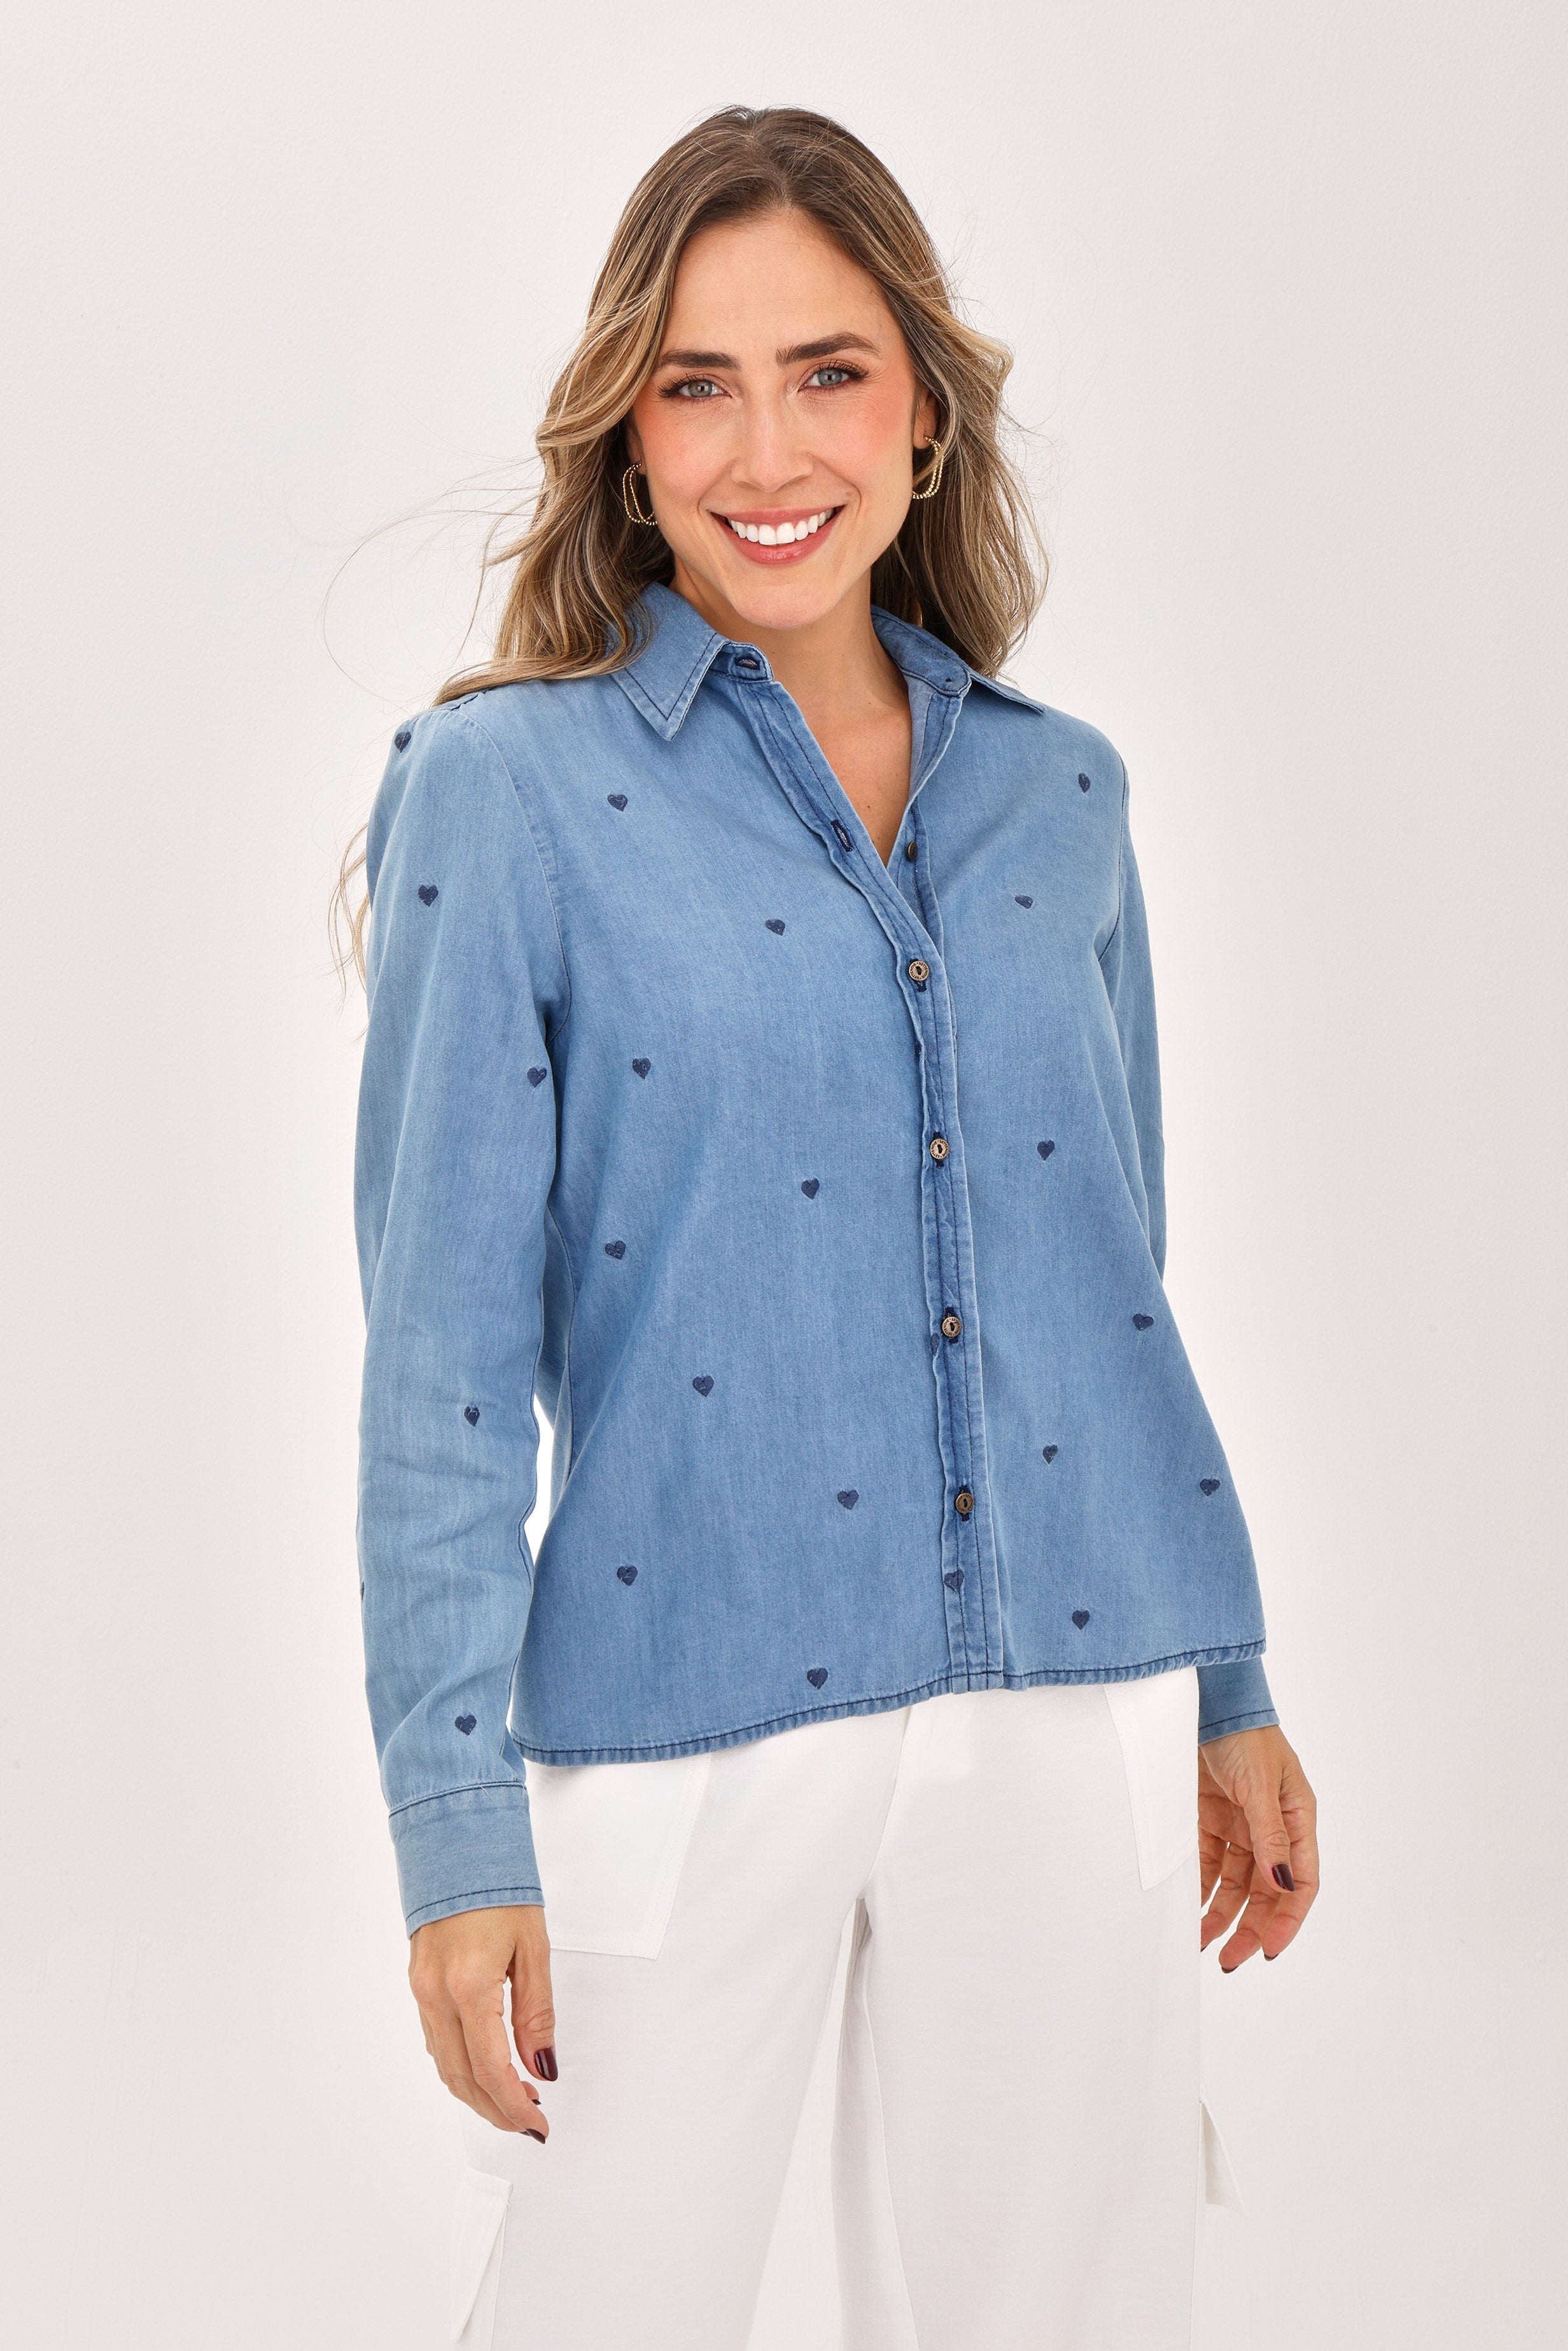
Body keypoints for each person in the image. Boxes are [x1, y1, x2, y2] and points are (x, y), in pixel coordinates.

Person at [342, 103, 1319, 2351]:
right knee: (602, 2304)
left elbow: (1113, 1283)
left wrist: (1230, 1686)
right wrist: (456, 1827)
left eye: (829, 372)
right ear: (629, 433)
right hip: (684, 1698)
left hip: (1077, 1679)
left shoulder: (1062, 792)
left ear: (925, 415)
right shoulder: (504, 793)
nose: (766, 449)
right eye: (698, 383)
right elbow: (438, 1367)